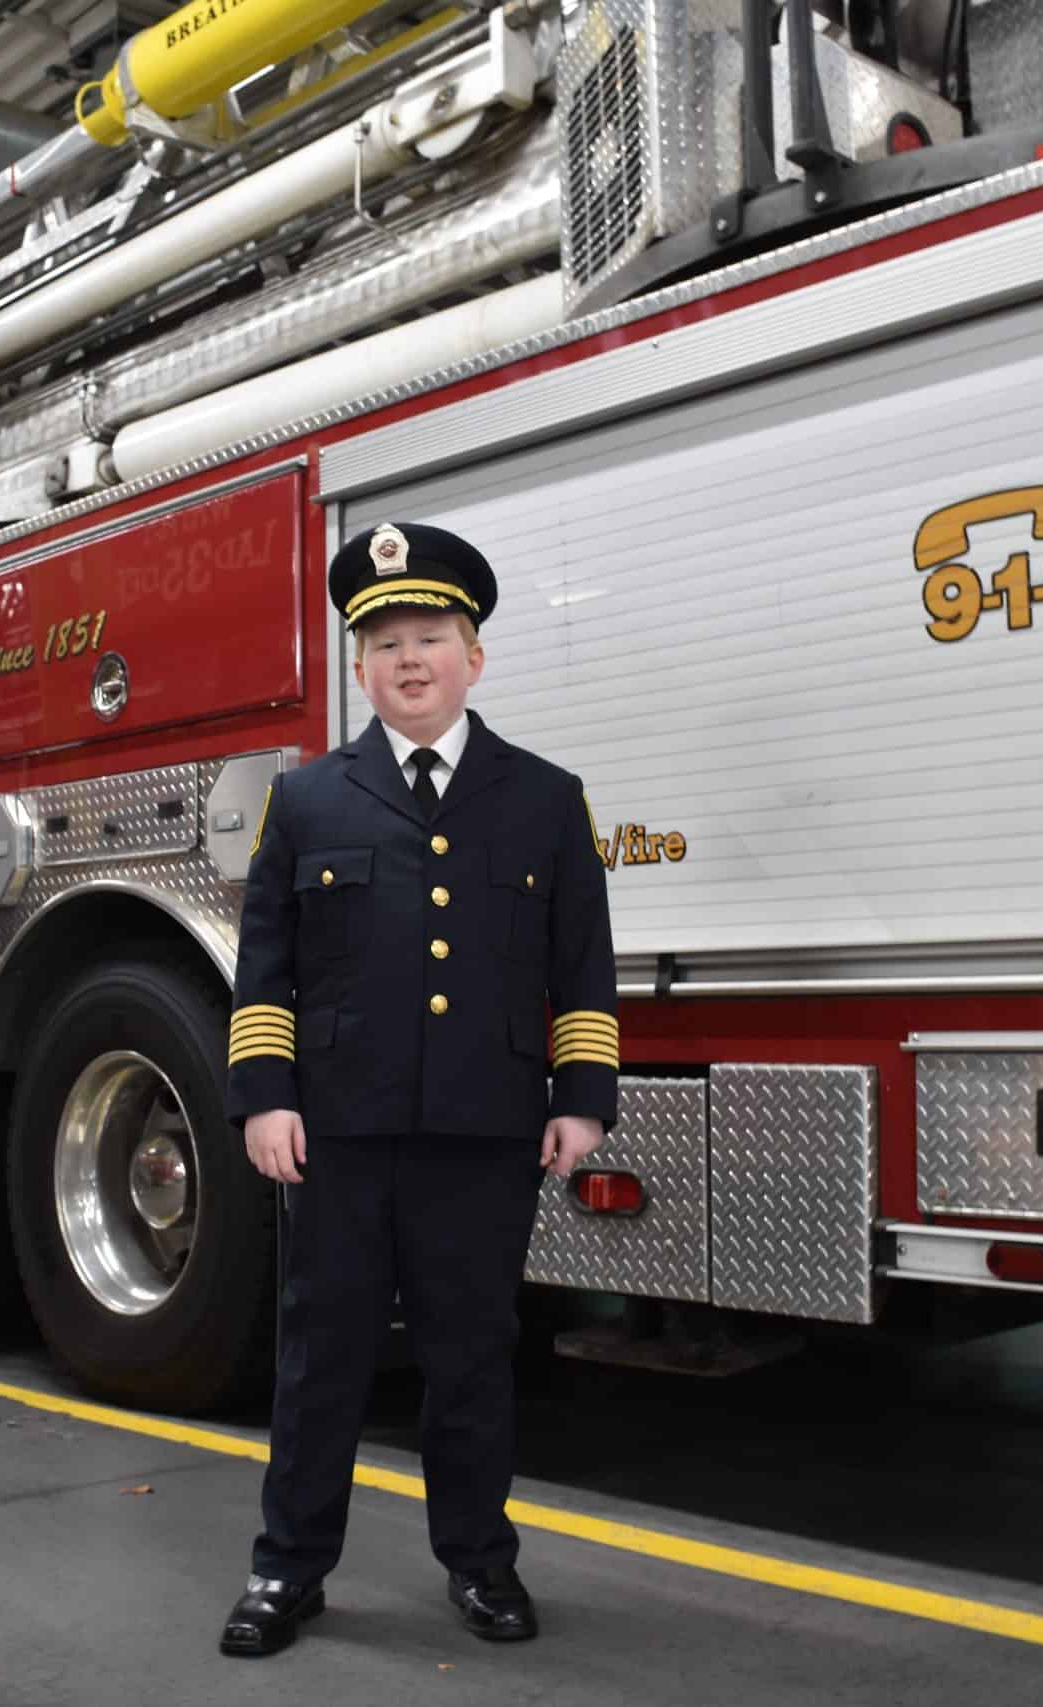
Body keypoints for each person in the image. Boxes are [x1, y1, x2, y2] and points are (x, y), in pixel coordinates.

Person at [218, 520, 619, 1657]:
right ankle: (286, 1574)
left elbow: (580, 965)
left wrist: (580, 1095)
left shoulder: (545, 798)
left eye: (430, 637)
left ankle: (481, 1568)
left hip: (485, 1134)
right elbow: (268, 968)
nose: (409, 658)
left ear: (473, 657)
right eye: (385, 640)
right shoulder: (307, 802)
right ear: (358, 667)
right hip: (337, 1132)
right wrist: (266, 1096)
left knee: (470, 1359)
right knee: (320, 1358)